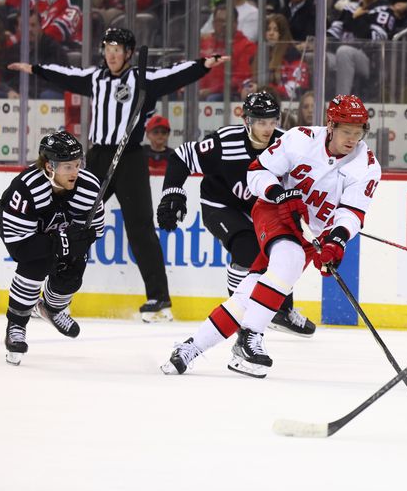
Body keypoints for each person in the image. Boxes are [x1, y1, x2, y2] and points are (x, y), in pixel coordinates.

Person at [8, 27, 229, 322]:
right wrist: (35, 69)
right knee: (72, 221)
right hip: (98, 157)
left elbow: (175, 74)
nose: (111, 54)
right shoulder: (95, 78)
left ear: (128, 54)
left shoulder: (142, 78)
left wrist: (203, 65)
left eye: (117, 49)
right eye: (107, 48)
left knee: (139, 227)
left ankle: (159, 299)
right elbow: (66, 75)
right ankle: (55, 296)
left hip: (130, 158)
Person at [160, 94, 381, 377]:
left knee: (251, 292)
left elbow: (351, 213)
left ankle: (190, 348)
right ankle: (250, 338)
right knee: (288, 261)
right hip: (274, 211)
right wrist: (280, 193)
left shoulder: (367, 165)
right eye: (346, 131)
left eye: (358, 132)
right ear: (331, 126)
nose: (353, 138)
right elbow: (257, 172)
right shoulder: (300, 139)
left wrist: (335, 240)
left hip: (308, 234)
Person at [158, 91, 316, 337]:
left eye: (273, 122)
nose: (268, 129)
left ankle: (282, 310)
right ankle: (238, 310)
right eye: (261, 122)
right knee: (247, 248)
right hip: (220, 206)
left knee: (285, 250)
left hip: (262, 211)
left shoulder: (285, 144)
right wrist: (173, 193)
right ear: (247, 121)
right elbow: (181, 157)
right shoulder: (225, 142)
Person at [0, 131, 104, 366]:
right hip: (24, 237)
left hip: (56, 234)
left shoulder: (89, 188)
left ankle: (52, 309)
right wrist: (60, 241)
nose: (75, 172)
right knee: (35, 263)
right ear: (49, 166)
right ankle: (16, 324)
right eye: (67, 167)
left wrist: (79, 240)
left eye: (77, 164)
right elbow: (19, 248)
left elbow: (95, 230)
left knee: (74, 267)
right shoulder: (26, 189)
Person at [326, 0, 395, 98]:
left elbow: (374, 40)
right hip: (342, 56)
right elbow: (334, 32)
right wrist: (316, 45)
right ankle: (318, 101)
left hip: (371, 63)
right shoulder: (350, 7)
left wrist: (356, 18)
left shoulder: (385, 10)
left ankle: (341, 104)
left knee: (344, 52)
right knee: (320, 57)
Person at [199, 4, 256, 101]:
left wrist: (210, 91)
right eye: (220, 21)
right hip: (200, 92)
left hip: (227, 95)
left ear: (235, 23)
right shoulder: (204, 43)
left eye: (227, 21)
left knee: (212, 98)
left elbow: (239, 79)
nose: (224, 25)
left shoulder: (246, 46)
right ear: (213, 24)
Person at [254, 13, 309, 101]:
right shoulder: (259, 56)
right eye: (268, 29)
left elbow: (295, 89)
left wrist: (263, 89)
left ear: (282, 33)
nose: (271, 33)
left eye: (275, 30)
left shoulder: (293, 56)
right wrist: (246, 88)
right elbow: (246, 78)